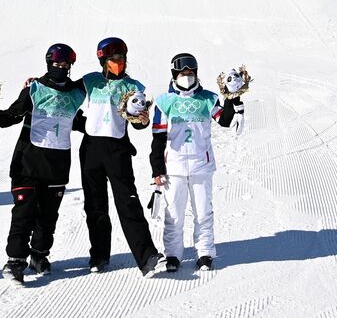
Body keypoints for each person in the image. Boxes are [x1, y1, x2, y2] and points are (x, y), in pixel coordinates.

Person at [0, 43, 86, 284]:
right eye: (56, 64)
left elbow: (78, 120)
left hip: (57, 163)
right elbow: (11, 117)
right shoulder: (35, 88)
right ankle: (16, 261)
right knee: (23, 213)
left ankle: (38, 255)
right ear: (48, 63)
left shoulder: (77, 92)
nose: (61, 68)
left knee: (48, 216)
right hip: (28, 163)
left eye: (65, 64)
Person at [74, 37, 162, 275]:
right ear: (103, 60)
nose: (119, 62)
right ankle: (99, 256)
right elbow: (65, 97)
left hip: (117, 149)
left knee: (128, 202)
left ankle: (147, 257)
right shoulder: (90, 81)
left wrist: (143, 121)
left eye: (122, 58)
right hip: (91, 148)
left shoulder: (134, 87)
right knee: (95, 205)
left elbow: (138, 122)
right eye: (113, 59)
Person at [150, 53, 240, 272]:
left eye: (190, 73)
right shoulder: (164, 102)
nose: (187, 76)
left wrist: (232, 96)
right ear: (175, 74)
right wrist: (157, 169)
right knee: (174, 214)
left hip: (201, 164)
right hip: (175, 167)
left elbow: (225, 120)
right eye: (182, 73)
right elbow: (158, 138)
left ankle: (205, 253)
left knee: (203, 212)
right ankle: (172, 254)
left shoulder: (208, 98)